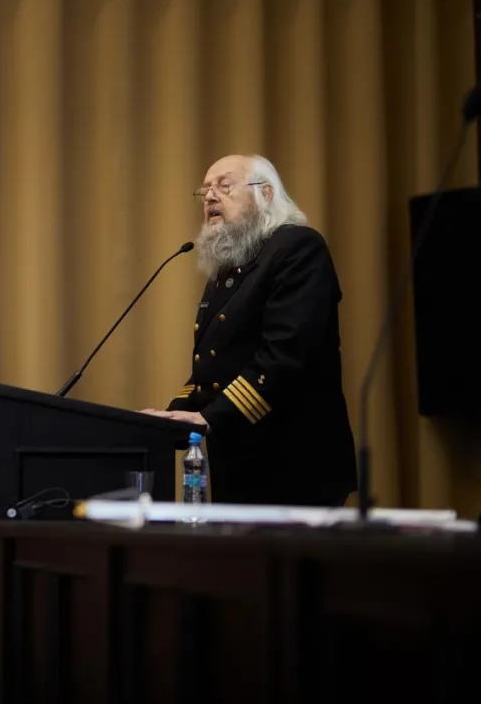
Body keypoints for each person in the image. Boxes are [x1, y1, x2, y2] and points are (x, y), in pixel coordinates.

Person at [142, 154, 357, 506]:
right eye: (206, 190)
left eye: (224, 186)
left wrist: (210, 417)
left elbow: (286, 355)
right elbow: (214, 366)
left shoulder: (297, 248)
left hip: (295, 465)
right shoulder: (230, 267)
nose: (210, 196)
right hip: (238, 461)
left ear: (265, 194)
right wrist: (172, 417)